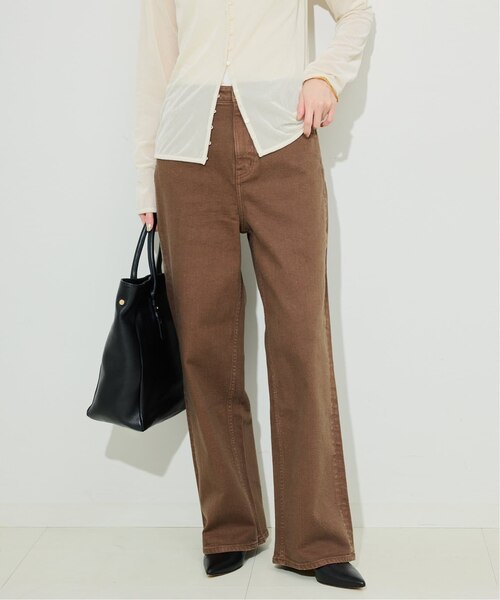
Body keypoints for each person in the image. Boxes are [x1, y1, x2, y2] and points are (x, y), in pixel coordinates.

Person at [134, 0, 373, 590]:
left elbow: (357, 11)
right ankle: (230, 529)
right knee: (205, 346)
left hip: (284, 139)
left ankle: (315, 540)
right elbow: (154, 65)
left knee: (300, 339)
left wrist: (325, 76)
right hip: (186, 151)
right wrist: (145, 181)